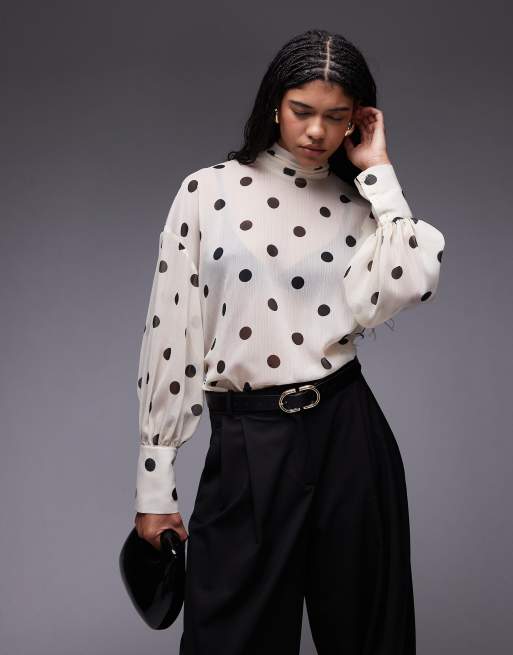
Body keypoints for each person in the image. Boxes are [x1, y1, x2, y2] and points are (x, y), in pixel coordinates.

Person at [133, 28, 445, 655]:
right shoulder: (208, 192)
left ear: (357, 120)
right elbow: (172, 332)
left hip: (347, 433)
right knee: (230, 638)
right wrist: (155, 483)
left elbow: (413, 280)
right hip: (250, 441)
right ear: (274, 104)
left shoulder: (361, 205)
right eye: (303, 111)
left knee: (369, 636)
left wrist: (381, 176)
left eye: (337, 116)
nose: (317, 131)